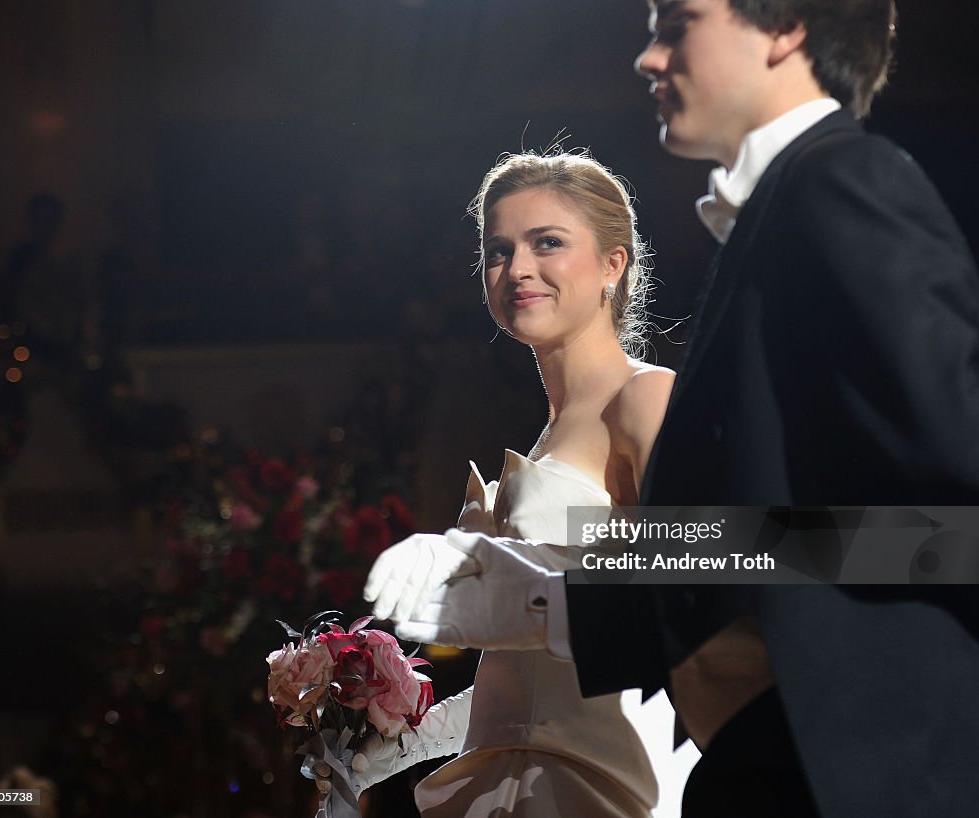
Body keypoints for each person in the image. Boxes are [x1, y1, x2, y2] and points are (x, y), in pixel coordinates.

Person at [366, 1, 979, 817]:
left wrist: (542, 598)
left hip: (856, 762)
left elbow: (939, 535)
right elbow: (741, 532)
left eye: (678, 23)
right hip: (764, 761)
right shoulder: (775, 218)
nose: (648, 58)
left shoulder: (843, 182)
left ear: (787, 28)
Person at [325, 151, 680, 816]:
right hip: (512, 781)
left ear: (613, 264)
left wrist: (532, 594)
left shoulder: (643, 400)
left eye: (547, 243)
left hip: (605, 782)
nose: (516, 269)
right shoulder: (549, 433)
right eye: (498, 250)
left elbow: (697, 589)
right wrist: (393, 745)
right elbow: (526, 688)